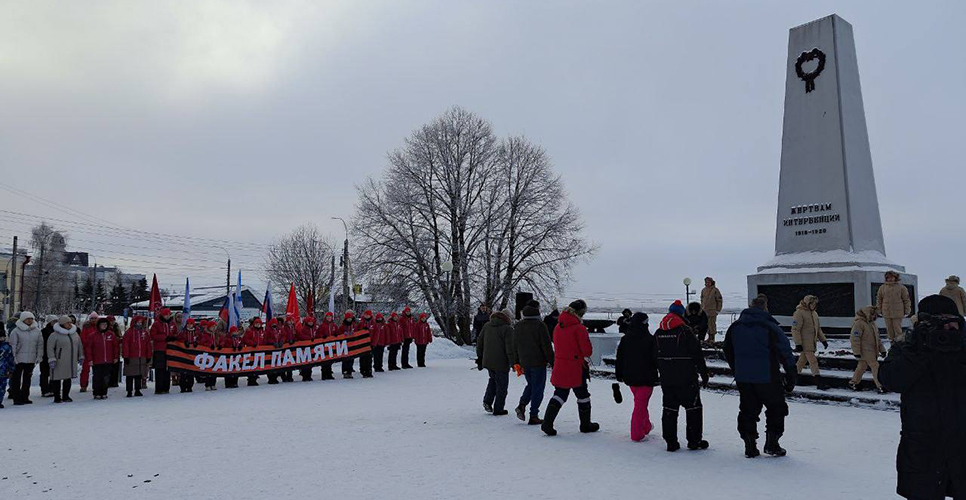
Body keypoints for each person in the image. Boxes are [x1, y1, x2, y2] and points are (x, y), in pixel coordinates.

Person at [880, 295, 966, 500]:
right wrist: (920, 349)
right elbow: (890, 380)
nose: (945, 329)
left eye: (950, 322)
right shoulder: (908, 345)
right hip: (923, 446)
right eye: (937, 323)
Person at [724, 294, 797, 458]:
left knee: (748, 410)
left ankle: (749, 445)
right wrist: (791, 374)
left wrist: (737, 368)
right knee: (776, 408)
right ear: (765, 307)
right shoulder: (770, 327)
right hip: (767, 376)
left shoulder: (735, 327)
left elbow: (727, 349)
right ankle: (772, 443)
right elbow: (785, 351)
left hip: (744, 377)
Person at [655, 300, 710, 451]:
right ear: (681, 314)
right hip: (687, 378)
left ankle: (670, 442)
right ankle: (694, 441)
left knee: (669, 409)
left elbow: (653, 356)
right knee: (693, 409)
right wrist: (704, 374)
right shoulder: (685, 331)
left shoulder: (659, 333)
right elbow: (697, 354)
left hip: (667, 379)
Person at [541, 300, 598, 436]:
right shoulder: (579, 328)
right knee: (583, 395)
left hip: (560, 365)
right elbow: (586, 350)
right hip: (576, 368)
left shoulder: (558, 327)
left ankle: (547, 423)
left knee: (560, 394)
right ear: (581, 312)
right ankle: (585, 425)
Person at [615, 312, 658, 442]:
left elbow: (619, 358)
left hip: (630, 378)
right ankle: (637, 433)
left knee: (640, 403)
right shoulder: (650, 340)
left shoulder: (625, 339)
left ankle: (646, 426)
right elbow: (656, 359)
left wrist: (619, 374)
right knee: (640, 406)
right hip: (646, 378)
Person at [511, 300, 554, 425]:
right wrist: (552, 361)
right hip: (538, 361)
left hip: (524, 361)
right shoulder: (540, 325)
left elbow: (514, 345)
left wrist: (516, 361)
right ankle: (534, 415)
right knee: (538, 388)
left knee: (531, 385)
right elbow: (546, 346)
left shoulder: (518, 326)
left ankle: (522, 405)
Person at [476, 309, 514, 416]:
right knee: (502, 386)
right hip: (501, 362)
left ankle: (487, 401)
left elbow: (480, 341)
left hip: (488, 360)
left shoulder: (487, 326)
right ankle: (499, 408)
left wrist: (480, 357)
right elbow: (509, 348)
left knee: (493, 380)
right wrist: (514, 363)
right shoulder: (507, 329)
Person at [792, 295, 830, 390]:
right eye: (813, 303)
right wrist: (798, 344)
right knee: (813, 361)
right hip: (804, 343)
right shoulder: (799, 313)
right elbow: (795, 329)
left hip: (812, 343)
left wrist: (823, 340)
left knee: (802, 361)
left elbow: (818, 329)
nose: (814, 305)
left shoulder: (814, 314)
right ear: (808, 303)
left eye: (815, 304)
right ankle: (819, 382)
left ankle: (793, 378)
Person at [849, 306, 887, 393]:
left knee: (862, 366)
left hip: (872, 350)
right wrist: (856, 352)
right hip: (865, 350)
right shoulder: (859, 323)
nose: (875, 317)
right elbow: (855, 338)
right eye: (874, 315)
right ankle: (880, 385)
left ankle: (854, 382)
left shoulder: (872, 324)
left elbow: (878, 339)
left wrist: (882, 350)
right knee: (875, 366)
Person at [9, 311, 43, 405]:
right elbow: (13, 345)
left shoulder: (37, 331)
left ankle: (25, 396)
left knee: (27, 379)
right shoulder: (16, 331)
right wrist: (13, 357)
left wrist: (39, 356)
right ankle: (16, 398)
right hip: (19, 359)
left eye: (31, 319)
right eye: (28, 319)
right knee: (16, 379)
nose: (30, 321)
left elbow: (40, 344)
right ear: (23, 319)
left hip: (31, 359)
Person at [86, 317, 119, 400]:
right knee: (97, 377)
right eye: (102, 324)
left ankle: (104, 392)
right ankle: (96, 392)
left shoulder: (111, 335)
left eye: (105, 324)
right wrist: (90, 359)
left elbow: (115, 347)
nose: (104, 326)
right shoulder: (93, 336)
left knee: (106, 377)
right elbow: (88, 348)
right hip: (97, 360)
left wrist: (115, 357)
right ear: (98, 325)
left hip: (108, 360)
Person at [877, 270, 912, 342]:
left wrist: (907, 310)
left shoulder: (901, 288)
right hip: (886, 312)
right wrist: (879, 310)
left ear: (895, 278)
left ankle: (899, 344)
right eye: (888, 277)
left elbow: (906, 300)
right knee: (889, 330)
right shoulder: (882, 288)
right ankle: (892, 345)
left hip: (897, 313)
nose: (890, 279)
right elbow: (879, 300)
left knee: (897, 329)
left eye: (892, 277)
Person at [122, 316, 151, 398]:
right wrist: (126, 356)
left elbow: (148, 345)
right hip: (131, 356)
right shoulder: (129, 333)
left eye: (140, 323)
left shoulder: (144, 333)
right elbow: (125, 345)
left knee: (139, 375)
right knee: (130, 375)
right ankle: (129, 391)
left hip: (141, 356)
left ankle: (138, 390)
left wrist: (148, 355)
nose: (139, 324)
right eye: (138, 322)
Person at [150, 308, 177, 394]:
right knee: (159, 369)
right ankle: (159, 388)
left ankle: (166, 388)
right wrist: (165, 337)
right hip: (160, 349)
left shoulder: (172, 324)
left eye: (169, 314)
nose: (167, 316)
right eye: (166, 315)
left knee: (167, 369)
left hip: (169, 349)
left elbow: (175, 333)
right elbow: (153, 335)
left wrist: (174, 338)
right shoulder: (157, 324)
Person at [242, 317, 265, 386]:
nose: (258, 325)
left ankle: (255, 378)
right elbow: (246, 339)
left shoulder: (262, 331)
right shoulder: (250, 331)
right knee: (251, 365)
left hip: (259, 351)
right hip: (251, 351)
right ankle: (251, 379)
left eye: (259, 324)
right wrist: (252, 344)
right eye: (256, 324)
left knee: (257, 365)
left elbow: (264, 339)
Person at [177, 318, 198, 393]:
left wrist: (196, 343)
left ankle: (189, 386)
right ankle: (182, 386)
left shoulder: (196, 332)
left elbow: (199, 340)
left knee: (191, 372)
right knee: (183, 372)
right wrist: (184, 342)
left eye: (191, 324)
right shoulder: (183, 332)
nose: (189, 325)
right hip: (184, 355)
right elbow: (178, 339)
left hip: (192, 356)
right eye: (188, 324)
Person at [40, 315, 58, 398]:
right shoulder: (44, 331)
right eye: (54, 321)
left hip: (55, 355)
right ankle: (44, 390)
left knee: (53, 373)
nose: (55, 323)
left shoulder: (58, 331)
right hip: (45, 355)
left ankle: (52, 389)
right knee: (44, 373)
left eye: (56, 321)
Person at [700, 277, 723, 343]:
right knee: (706, 325)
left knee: (712, 324)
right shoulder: (703, 290)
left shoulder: (715, 290)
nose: (707, 283)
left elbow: (719, 300)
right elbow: (702, 300)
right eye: (706, 282)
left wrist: (718, 310)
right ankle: (709, 338)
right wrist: (702, 308)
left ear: (711, 282)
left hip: (712, 311)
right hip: (705, 311)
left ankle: (712, 338)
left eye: (709, 282)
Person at [79, 313, 97, 393]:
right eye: (92, 318)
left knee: (97, 370)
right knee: (85, 370)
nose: (93, 320)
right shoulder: (86, 327)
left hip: (97, 351)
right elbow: (82, 339)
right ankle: (83, 385)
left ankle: (96, 385)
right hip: (87, 351)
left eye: (95, 318)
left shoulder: (99, 326)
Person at [295, 316, 317, 381]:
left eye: (311, 322)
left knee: (310, 363)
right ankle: (305, 376)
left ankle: (309, 375)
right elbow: (301, 336)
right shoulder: (304, 329)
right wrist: (309, 339)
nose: (311, 323)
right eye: (309, 322)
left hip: (311, 348)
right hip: (305, 349)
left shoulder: (313, 329)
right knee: (305, 363)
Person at [337, 311, 358, 379]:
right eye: (348, 318)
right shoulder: (342, 326)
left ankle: (349, 371)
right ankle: (345, 371)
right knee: (345, 359)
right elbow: (339, 334)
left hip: (352, 344)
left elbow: (357, 332)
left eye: (350, 318)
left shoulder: (354, 325)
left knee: (351, 359)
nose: (349, 319)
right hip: (344, 345)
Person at [318, 313, 338, 379]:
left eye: (330, 317)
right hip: (324, 345)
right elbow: (318, 334)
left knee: (330, 360)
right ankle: (324, 374)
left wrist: (336, 335)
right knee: (324, 360)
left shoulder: (334, 325)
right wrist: (322, 336)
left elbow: (337, 332)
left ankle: (329, 373)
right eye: (328, 317)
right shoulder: (322, 326)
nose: (329, 318)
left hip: (331, 345)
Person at [357, 310, 375, 377]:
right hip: (362, 343)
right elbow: (357, 331)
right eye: (365, 315)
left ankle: (368, 371)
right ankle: (363, 370)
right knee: (362, 357)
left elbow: (376, 333)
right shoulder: (361, 322)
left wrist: (374, 343)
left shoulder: (373, 322)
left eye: (368, 315)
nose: (366, 316)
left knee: (369, 358)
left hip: (370, 343)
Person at [264, 318, 282, 384]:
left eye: (275, 323)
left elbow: (283, 335)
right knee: (270, 364)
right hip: (270, 349)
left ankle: (275, 377)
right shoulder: (268, 330)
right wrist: (272, 342)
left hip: (277, 349)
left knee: (276, 364)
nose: (274, 325)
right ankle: (271, 378)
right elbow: (266, 339)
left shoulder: (279, 329)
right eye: (273, 324)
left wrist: (281, 341)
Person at [279, 316, 297, 382]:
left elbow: (295, 334)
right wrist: (286, 341)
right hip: (285, 346)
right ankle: (283, 376)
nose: (291, 322)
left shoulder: (293, 327)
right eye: (290, 321)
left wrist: (294, 340)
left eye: (292, 320)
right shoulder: (284, 328)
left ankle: (290, 376)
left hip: (291, 346)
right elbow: (283, 335)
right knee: (284, 362)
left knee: (290, 362)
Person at [0, 328, 13, 409]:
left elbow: (10, 359)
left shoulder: (6, 346)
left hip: (3, 371)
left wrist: (11, 369)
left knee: (2, 387)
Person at [107, 316, 122, 388]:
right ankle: (109, 382)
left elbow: (119, 336)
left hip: (116, 349)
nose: (112, 322)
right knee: (109, 367)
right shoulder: (106, 329)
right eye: (110, 321)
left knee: (116, 367)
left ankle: (114, 381)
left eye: (113, 320)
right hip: (109, 349)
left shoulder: (117, 328)